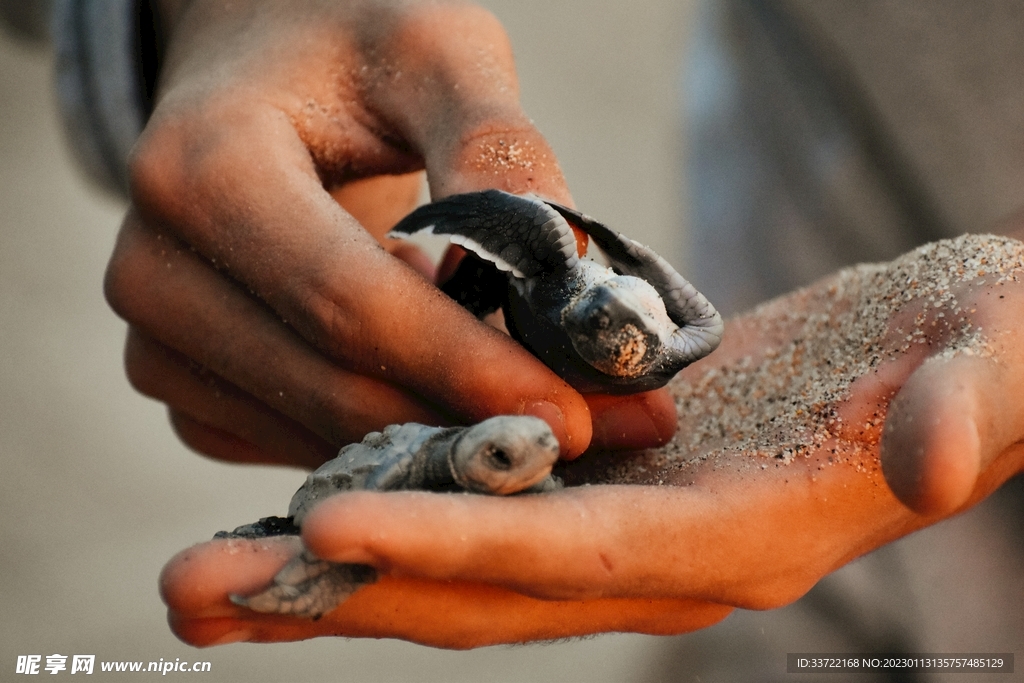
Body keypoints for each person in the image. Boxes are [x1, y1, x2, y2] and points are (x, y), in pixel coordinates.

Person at [46, 0, 1024, 653]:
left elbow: (686, 321)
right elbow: (667, 309)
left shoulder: (667, 341)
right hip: (807, 185)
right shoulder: (605, 306)